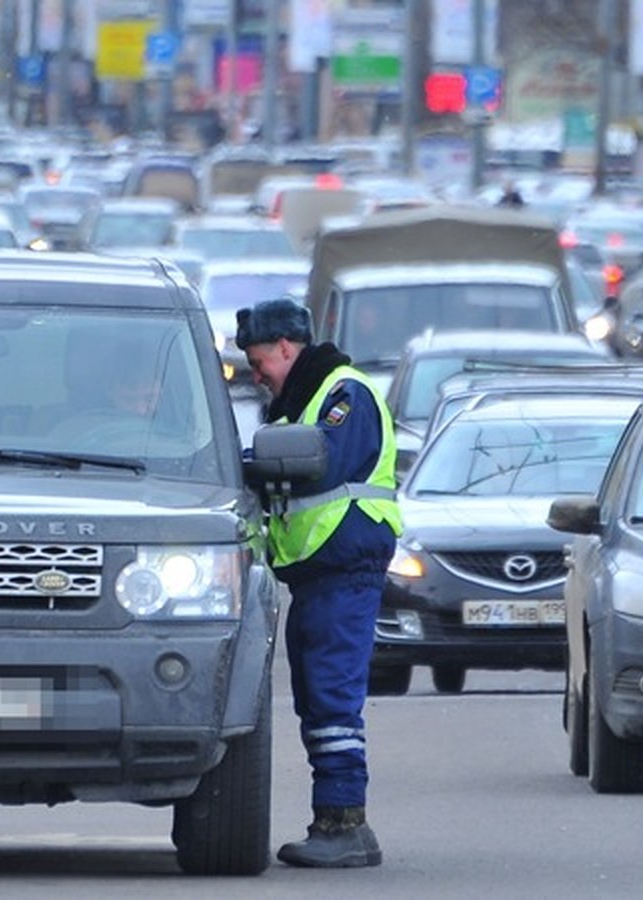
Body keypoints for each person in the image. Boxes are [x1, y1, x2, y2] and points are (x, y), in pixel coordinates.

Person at [235, 298, 402, 869]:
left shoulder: (341, 393)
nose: (256, 376)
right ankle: (331, 820)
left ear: (286, 347)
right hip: (317, 578)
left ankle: (345, 825)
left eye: (260, 362)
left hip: (344, 572)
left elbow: (319, 464)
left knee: (332, 696)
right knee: (315, 697)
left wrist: (254, 465)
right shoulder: (297, 405)